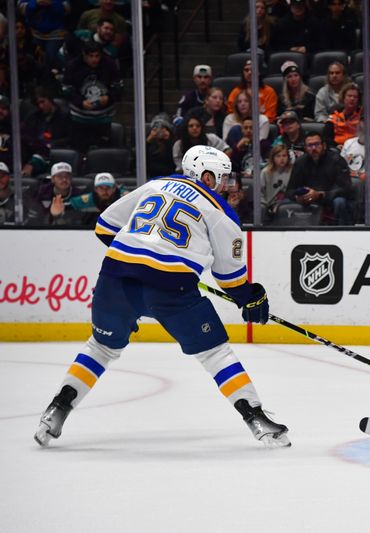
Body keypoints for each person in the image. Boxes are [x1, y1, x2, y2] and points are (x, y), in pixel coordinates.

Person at [33, 145, 290, 449]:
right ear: (206, 176)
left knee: (100, 348)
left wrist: (142, 254)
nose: (225, 184)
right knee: (215, 354)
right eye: (221, 177)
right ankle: (256, 418)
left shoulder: (154, 185)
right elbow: (230, 278)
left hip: (114, 280)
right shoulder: (220, 211)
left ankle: (57, 409)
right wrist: (251, 297)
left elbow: (104, 227)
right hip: (172, 289)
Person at [62, 40, 123, 153]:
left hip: (103, 118)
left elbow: (118, 87)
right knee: (80, 150)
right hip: (79, 118)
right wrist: (81, 102)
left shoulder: (109, 64)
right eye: (91, 56)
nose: (94, 59)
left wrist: (109, 97)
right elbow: (66, 89)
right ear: (84, 55)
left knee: (103, 152)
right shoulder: (73, 66)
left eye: (97, 56)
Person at [285, 132, 352, 225]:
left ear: (324, 145)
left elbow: (346, 189)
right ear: (305, 148)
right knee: (285, 203)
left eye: (316, 144)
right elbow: (289, 190)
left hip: (329, 199)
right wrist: (298, 197)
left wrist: (320, 194)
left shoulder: (337, 160)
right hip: (307, 199)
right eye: (309, 145)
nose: (313, 148)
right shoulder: (300, 162)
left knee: (340, 202)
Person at [0, 161, 44, 225]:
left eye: (3, 175)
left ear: (9, 177)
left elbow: (37, 220)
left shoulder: (24, 199)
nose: (0, 179)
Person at [260, 143, 293, 221]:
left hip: (288, 205)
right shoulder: (265, 172)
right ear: (273, 158)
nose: (281, 159)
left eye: (284, 156)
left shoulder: (293, 171)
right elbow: (260, 193)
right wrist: (266, 207)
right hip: (269, 206)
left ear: (288, 157)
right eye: (278, 156)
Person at [325, 82, 362, 149]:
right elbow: (327, 137)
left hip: (357, 148)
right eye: (349, 96)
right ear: (343, 98)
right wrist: (336, 146)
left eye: (355, 97)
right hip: (337, 148)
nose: (352, 99)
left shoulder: (363, 115)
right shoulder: (334, 115)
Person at [146, 113, 177, 178]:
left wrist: (168, 139)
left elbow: (173, 161)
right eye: (158, 128)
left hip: (169, 175)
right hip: (151, 176)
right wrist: (148, 140)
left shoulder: (172, 142)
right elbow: (141, 158)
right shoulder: (149, 142)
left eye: (163, 128)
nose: (160, 131)